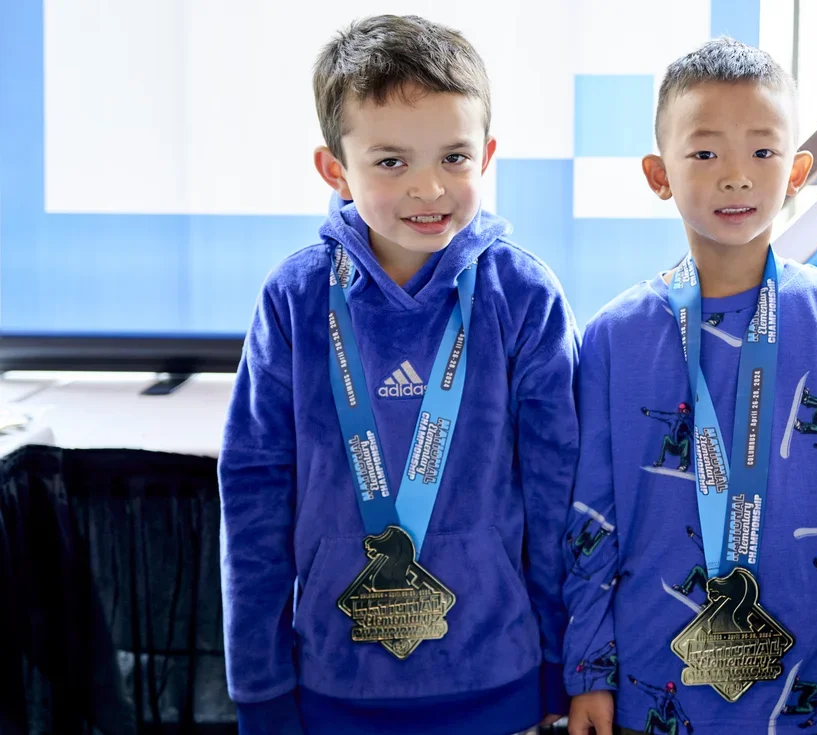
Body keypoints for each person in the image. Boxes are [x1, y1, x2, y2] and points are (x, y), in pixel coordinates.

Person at [218, 14, 578, 735]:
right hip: (333, 685)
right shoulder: (294, 298)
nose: (428, 188)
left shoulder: (524, 295)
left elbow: (559, 495)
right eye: (391, 162)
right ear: (335, 169)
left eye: (453, 157)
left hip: (500, 680)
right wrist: (258, 686)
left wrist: (561, 666)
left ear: (488, 155)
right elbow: (253, 495)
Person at [563, 37, 817, 735]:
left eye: (762, 151)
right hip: (650, 688)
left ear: (797, 172)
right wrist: (587, 669)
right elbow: (588, 521)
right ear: (659, 174)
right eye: (704, 153)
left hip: (814, 684)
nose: (736, 178)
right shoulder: (612, 334)